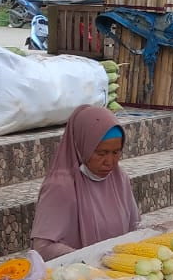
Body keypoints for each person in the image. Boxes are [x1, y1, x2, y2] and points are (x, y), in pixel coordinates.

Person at [30, 106, 141, 260]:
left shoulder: (119, 179)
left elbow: (134, 227)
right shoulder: (61, 187)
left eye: (116, 152)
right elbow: (43, 248)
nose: (109, 162)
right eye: (101, 153)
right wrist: (90, 259)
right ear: (81, 147)